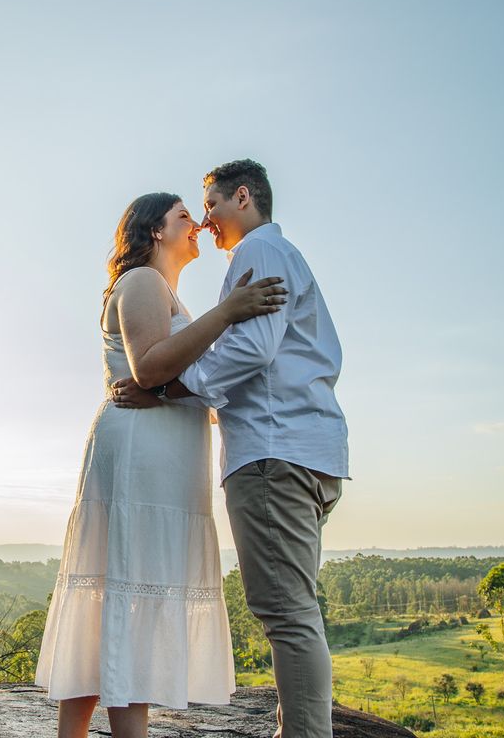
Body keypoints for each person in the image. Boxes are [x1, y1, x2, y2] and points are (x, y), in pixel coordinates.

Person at [35, 191, 287, 738]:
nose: (196, 223)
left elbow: (176, 384)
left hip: (161, 453)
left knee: (122, 597)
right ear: (154, 231)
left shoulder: (164, 290)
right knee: (127, 594)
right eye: (182, 216)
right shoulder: (144, 282)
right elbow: (148, 368)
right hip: (139, 457)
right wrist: (230, 311)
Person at [113, 160, 349, 738]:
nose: (205, 222)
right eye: (191, 215)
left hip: (273, 452)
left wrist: (172, 387)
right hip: (304, 446)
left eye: (210, 207)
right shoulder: (276, 254)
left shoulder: (258, 253)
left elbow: (254, 352)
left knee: (287, 614)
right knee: (294, 609)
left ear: (242, 197)